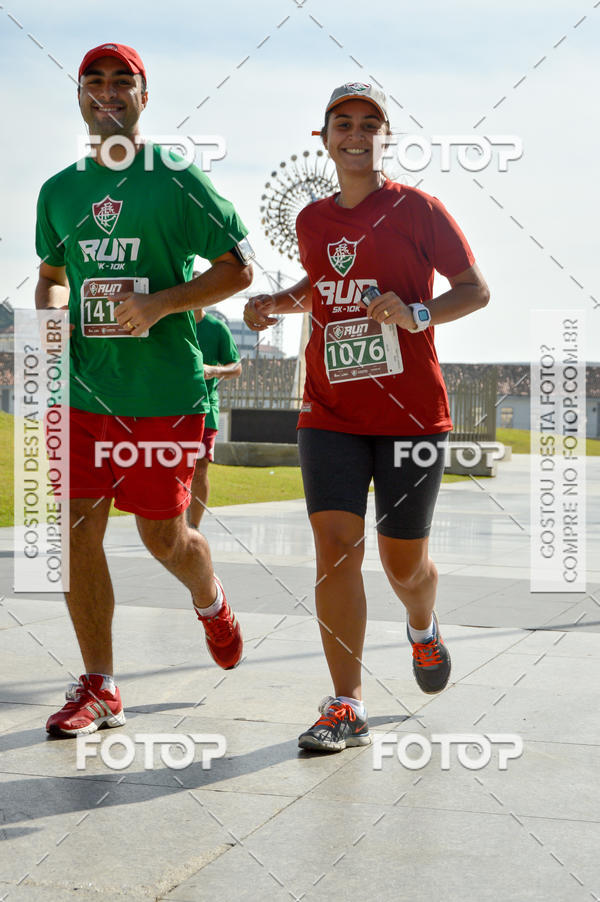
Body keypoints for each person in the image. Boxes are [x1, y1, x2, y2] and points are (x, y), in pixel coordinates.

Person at [244, 83, 489, 752]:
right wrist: (276, 301)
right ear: (322, 137)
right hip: (329, 412)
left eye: (369, 123)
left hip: (412, 416)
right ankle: (346, 704)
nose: (355, 133)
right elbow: (321, 285)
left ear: (386, 137)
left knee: (402, 565)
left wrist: (414, 314)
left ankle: (422, 624)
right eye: (342, 123)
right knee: (335, 551)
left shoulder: (418, 210)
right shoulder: (312, 221)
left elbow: (474, 290)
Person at [35, 43, 253, 737]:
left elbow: (237, 270)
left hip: (163, 396)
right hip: (84, 395)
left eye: (121, 81)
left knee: (165, 538)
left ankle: (211, 599)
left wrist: (160, 304)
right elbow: (52, 274)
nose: (107, 92)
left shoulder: (177, 179)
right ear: (79, 96)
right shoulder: (58, 190)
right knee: (72, 536)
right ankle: (99, 686)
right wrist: (47, 319)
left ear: (143, 96)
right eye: (93, 81)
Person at [188, 303, 242, 528]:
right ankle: (173, 527)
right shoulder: (171, 324)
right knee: (170, 469)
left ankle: (193, 528)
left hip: (205, 409)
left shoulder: (217, 328)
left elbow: (236, 366)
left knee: (199, 469)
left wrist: (214, 370)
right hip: (169, 408)